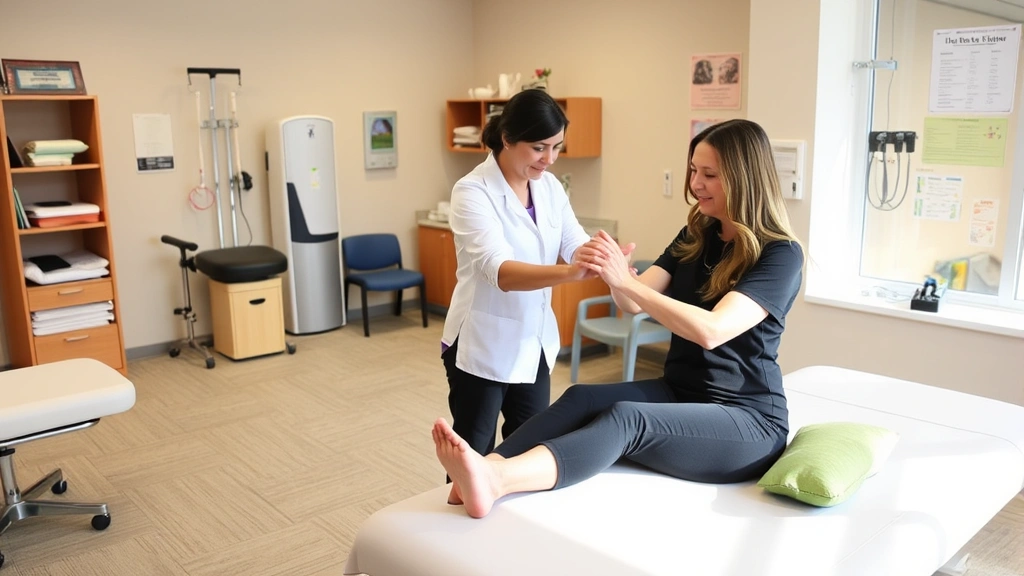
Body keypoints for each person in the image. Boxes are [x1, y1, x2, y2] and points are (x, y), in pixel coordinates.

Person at [434, 118, 805, 518]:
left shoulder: (780, 254)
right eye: (693, 170)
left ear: (744, 178)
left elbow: (711, 330)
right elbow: (632, 302)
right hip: (681, 390)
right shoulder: (698, 233)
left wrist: (628, 285)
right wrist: (619, 274)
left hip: (746, 421)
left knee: (628, 419)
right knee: (582, 396)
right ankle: (482, 470)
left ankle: (499, 479)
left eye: (709, 174)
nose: (695, 184)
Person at [440, 89, 617, 463]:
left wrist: (607, 259)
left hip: (532, 342)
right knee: (473, 451)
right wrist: (570, 273)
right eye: (539, 148)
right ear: (507, 139)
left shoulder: (549, 187)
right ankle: (460, 517)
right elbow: (499, 271)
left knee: (531, 448)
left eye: (556, 147)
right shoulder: (472, 191)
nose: (549, 159)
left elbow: (573, 241)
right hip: (481, 343)